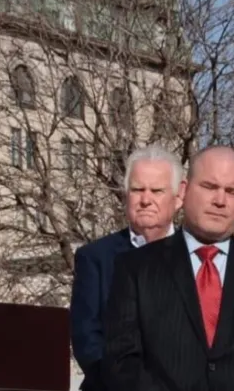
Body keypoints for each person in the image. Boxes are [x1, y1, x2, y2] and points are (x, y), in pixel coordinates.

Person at [102, 145, 234, 391]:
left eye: (232, 191)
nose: (220, 200)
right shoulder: (135, 268)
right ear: (184, 190)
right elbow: (121, 362)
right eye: (210, 187)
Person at [70, 144, 184, 390]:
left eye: (156, 190)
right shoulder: (95, 258)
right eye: (137, 190)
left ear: (178, 197)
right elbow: (87, 339)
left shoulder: (198, 258)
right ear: (125, 196)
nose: (146, 200)